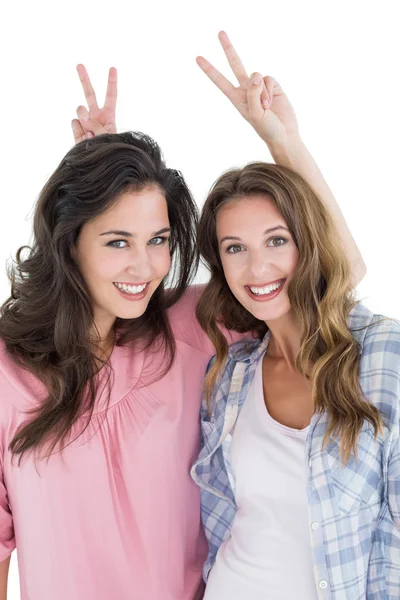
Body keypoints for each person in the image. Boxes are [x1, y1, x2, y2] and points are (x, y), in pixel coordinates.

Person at [0, 32, 365, 600]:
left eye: (160, 239)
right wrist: (100, 170)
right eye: (117, 241)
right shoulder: (8, 372)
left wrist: (284, 142)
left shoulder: (191, 326)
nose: (145, 266)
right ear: (70, 243)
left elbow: (332, 280)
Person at [191, 160, 400, 598]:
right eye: (235, 248)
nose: (257, 267)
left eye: (276, 240)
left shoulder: (383, 353)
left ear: (308, 242)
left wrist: (283, 138)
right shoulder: (229, 375)